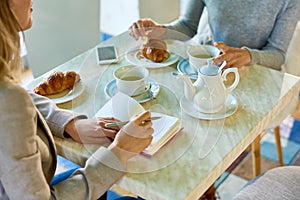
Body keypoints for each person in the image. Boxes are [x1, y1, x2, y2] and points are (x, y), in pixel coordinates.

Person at [0, 0, 154, 199]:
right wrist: (119, 152)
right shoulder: (10, 100)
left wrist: (70, 124)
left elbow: (20, 98)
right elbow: (13, 102)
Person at [128, 0, 300, 70]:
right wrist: (161, 30)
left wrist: (247, 55)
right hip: (206, 59)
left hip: (252, 68)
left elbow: (277, 55)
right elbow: (188, 26)